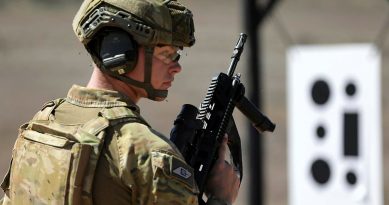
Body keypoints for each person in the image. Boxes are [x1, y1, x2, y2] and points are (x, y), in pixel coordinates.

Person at [0, 0, 240, 205]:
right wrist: (221, 197)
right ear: (120, 51)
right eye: (166, 54)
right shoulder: (148, 155)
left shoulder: (41, 124)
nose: (176, 67)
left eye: (176, 55)